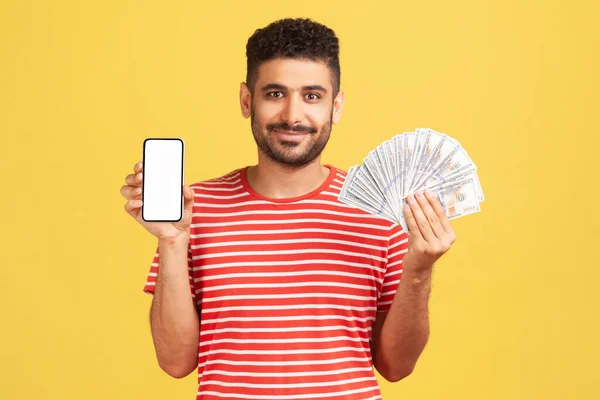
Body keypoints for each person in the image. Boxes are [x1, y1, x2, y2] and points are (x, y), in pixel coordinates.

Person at [121, 17, 456, 400]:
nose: (293, 116)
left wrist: (418, 269)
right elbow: (175, 362)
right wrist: (172, 240)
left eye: (312, 96)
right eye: (275, 94)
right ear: (247, 101)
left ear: (337, 105)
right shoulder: (193, 209)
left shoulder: (379, 209)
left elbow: (396, 367)